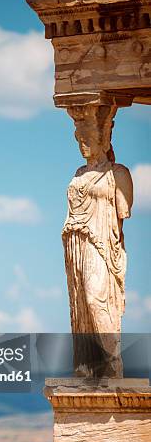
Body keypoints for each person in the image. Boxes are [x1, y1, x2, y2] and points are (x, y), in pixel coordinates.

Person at [62, 105, 133, 378]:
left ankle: (111, 362)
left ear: (103, 141)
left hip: (101, 243)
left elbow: (122, 213)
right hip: (75, 243)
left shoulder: (118, 173)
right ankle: (88, 364)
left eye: (88, 140)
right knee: (80, 303)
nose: (83, 146)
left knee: (95, 298)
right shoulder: (79, 172)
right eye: (79, 141)